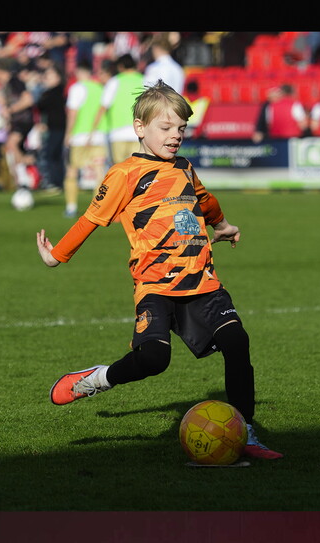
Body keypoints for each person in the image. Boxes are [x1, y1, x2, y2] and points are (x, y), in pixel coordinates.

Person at [35, 80, 283, 461]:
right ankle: (96, 380)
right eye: (166, 128)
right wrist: (58, 255)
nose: (175, 136)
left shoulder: (184, 167)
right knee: (154, 360)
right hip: (155, 284)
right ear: (139, 127)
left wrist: (222, 226)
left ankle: (246, 432)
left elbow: (205, 200)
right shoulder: (124, 175)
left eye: (181, 128)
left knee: (237, 342)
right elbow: (91, 218)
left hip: (202, 279)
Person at [62, 60, 109, 218]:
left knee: (72, 170)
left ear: (79, 73)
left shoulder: (77, 88)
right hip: (99, 135)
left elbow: (73, 112)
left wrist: (68, 134)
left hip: (80, 136)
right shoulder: (100, 88)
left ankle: (71, 207)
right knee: (99, 173)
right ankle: (97, 209)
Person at [0, 59, 37, 191]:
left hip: (24, 120)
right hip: (16, 122)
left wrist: (10, 110)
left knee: (12, 144)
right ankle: (22, 181)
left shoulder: (15, 81)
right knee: (12, 149)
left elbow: (28, 100)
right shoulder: (5, 86)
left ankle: (30, 163)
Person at [91, 53, 145, 164]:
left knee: (120, 170)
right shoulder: (145, 80)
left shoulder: (114, 81)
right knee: (137, 168)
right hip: (139, 131)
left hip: (117, 133)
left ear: (120, 66)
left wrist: (92, 131)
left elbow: (103, 108)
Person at [33, 62, 67, 195]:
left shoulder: (56, 91)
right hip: (54, 127)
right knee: (55, 155)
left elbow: (41, 104)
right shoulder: (53, 92)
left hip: (57, 127)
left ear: (58, 77)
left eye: (49, 75)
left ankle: (55, 183)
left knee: (52, 155)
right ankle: (58, 183)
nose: (46, 78)